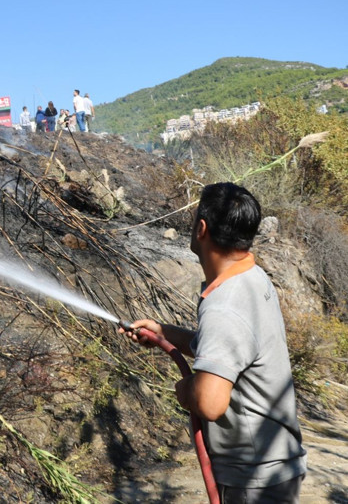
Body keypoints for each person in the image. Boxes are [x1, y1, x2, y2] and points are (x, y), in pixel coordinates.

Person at [120, 183, 306, 503]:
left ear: (201, 229)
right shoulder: (250, 277)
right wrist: (164, 333)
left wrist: (185, 389)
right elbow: (230, 348)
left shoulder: (225, 305)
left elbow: (209, 402)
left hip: (254, 478)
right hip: (276, 465)